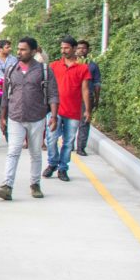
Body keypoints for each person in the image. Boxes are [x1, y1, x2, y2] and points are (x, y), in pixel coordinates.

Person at [0, 37, 59, 201]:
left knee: (35, 153)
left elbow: (52, 94)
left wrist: (54, 116)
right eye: (19, 49)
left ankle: (35, 184)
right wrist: (2, 117)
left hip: (37, 117)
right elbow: (6, 96)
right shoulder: (11, 70)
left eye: (23, 49)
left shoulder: (44, 70)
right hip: (15, 117)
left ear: (33, 51)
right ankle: (7, 185)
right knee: (13, 152)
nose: (19, 52)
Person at [44, 36, 91, 182]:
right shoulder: (53, 66)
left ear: (74, 49)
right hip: (54, 111)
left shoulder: (83, 68)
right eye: (62, 48)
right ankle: (52, 163)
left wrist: (87, 110)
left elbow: (85, 90)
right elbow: (46, 87)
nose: (63, 51)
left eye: (66, 48)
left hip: (73, 112)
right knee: (51, 139)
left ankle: (63, 168)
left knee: (68, 142)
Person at [74, 40, 101, 157]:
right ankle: (69, 145)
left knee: (84, 121)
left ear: (88, 50)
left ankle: (81, 147)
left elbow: (97, 83)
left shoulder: (93, 65)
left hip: (87, 97)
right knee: (70, 121)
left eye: (84, 48)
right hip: (72, 96)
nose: (81, 50)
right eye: (79, 48)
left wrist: (96, 98)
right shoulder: (71, 63)